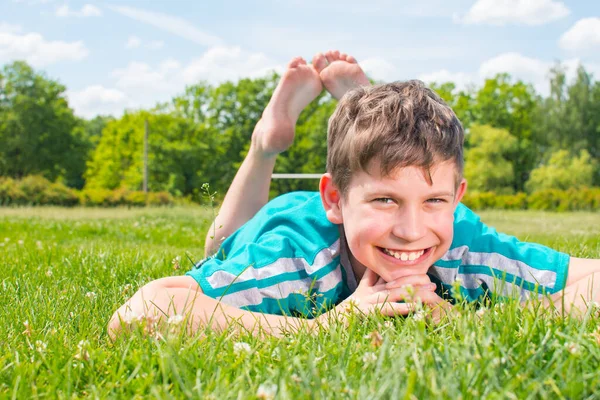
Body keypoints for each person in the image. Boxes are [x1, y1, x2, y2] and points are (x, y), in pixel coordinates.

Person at [108, 50, 600, 338]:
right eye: (385, 199)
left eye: (435, 201)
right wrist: (323, 328)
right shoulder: (294, 258)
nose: (411, 232)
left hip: (369, 199)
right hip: (288, 221)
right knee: (217, 247)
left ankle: (365, 110)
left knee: (399, 167)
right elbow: (139, 314)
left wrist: (464, 323)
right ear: (335, 199)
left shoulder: (459, 240)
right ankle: (267, 142)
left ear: (458, 198)